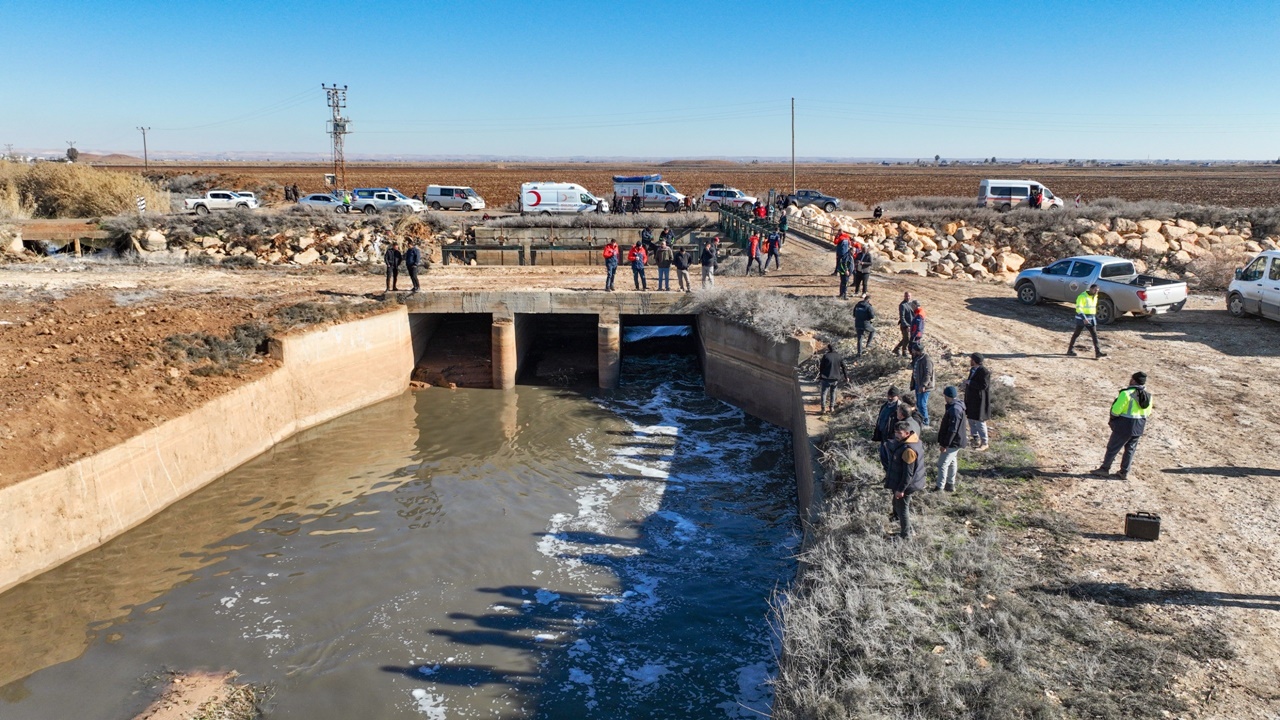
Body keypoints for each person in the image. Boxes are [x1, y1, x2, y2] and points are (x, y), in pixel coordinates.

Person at [1089, 372, 1152, 481]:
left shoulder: (1126, 394)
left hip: (1124, 425)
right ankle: (1124, 472)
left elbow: (1116, 410)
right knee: (1130, 449)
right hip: (1139, 426)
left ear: (1133, 380)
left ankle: (1104, 469)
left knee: (1113, 448)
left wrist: (1113, 420)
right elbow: (1148, 412)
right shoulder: (1148, 396)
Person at [885, 421, 927, 538]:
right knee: (898, 505)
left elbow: (908, 474)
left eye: (899, 433)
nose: (896, 435)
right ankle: (907, 528)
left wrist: (901, 489)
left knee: (902, 509)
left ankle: (906, 535)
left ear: (907, 433)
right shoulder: (912, 441)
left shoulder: (909, 450)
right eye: (895, 432)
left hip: (906, 485)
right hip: (906, 482)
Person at [934, 386, 968, 492]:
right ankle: (950, 484)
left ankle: (940, 487)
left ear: (947, 396)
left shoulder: (954, 410)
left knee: (942, 464)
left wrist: (945, 445)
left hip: (953, 442)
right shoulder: (958, 406)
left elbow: (952, 429)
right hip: (957, 440)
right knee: (952, 462)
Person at [1067, 284, 1107, 358]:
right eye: (1095, 290)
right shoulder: (1082, 296)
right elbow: (1079, 308)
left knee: (1094, 335)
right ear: (1090, 289)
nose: (1096, 292)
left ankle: (1098, 353)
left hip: (1091, 318)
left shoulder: (1095, 296)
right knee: (1076, 334)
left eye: (1097, 291)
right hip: (1082, 318)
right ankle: (1070, 350)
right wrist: (1084, 318)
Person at [962, 353, 991, 451]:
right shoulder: (973, 370)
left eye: (971, 359)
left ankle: (984, 442)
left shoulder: (984, 371)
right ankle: (975, 439)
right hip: (971, 400)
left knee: (979, 422)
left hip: (979, 401)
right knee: (971, 419)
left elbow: (984, 386)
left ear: (974, 360)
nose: (970, 361)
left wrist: (970, 383)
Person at [872, 386, 902, 471]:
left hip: (892, 438)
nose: (890, 398)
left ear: (897, 396)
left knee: (891, 460)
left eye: (892, 396)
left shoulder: (899, 408)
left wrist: (894, 436)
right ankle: (887, 475)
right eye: (889, 395)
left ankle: (892, 478)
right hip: (883, 436)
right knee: (883, 458)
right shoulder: (885, 406)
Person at [817, 343, 849, 414]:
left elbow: (821, 367)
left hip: (826, 377)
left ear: (828, 348)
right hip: (835, 378)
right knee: (833, 393)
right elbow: (844, 367)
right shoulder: (839, 356)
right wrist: (846, 377)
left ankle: (823, 409)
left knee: (824, 393)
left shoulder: (826, 356)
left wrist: (820, 375)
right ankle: (831, 408)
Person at [909, 342, 935, 426]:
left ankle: (925, 422)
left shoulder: (927, 360)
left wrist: (923, 385)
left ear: (918, 351)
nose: (912, 351)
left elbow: (928, 374)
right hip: (917, 384)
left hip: (924, 387)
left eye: (913, 350)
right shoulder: (917, 358)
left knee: (922, 404)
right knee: (918, 404)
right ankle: (920, 420)